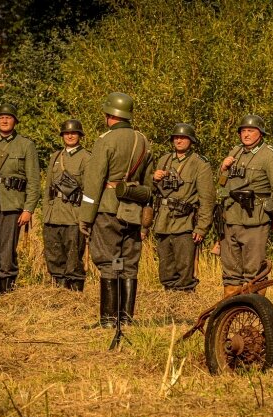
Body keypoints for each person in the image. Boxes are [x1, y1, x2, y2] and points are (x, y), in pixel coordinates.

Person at [78, 92, 154, 328]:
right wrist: (145, 214)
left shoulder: (106, 140)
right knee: (128, 262)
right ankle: (126, 318)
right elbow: (148, 182)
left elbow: (94, 182)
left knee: (110, 261)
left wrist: (86, 217)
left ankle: (109, 320)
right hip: (133, 208)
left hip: (108, 208)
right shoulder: (143, 141)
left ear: (110, 115)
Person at [217, 114, 273, 297]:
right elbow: (223, 183)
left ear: (260, 134)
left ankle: (253, 308)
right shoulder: (236, 151)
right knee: (230, 270)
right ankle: (230, 309)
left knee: (253, 270)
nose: (246, 134)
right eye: (243, 131)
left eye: (251, 131)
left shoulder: (270, 156)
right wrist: (223, 168)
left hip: (255, 218)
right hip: (231, 217)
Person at [0, 103, 41, 297]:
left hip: (13, 204)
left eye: (9, 117)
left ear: (15, 121)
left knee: (7, 250)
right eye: (1, 117)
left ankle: (6, 292)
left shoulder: (26, 145)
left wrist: (29, 209)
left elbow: (34, 180)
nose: (5, 120)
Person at [151, 123, 215, 291]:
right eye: (176, 137)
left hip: (185, 222)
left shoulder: (200, 164)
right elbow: (153, 192)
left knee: (184, 268)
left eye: (183, 137)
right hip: (163, 221)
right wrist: (154, 179)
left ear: (191, 140)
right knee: (165, 266)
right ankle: (169, 298)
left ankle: (184, 299)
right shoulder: (164, 160)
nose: (178, 140)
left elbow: (207, 199)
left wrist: (202, 228)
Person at [42, 119, 91, 291]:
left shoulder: (86, 158)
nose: (70, 136)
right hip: (54, 215)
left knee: (73, 259)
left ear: (79, 136)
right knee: (54, 257)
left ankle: (75, 294)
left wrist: (85, 217)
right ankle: (58, 292)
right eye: (67, 133)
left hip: (73, 216)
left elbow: (89, 192)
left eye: (73, 133)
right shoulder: (55, 156)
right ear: (62, 136)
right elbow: (48, 187)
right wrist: (46, 213)